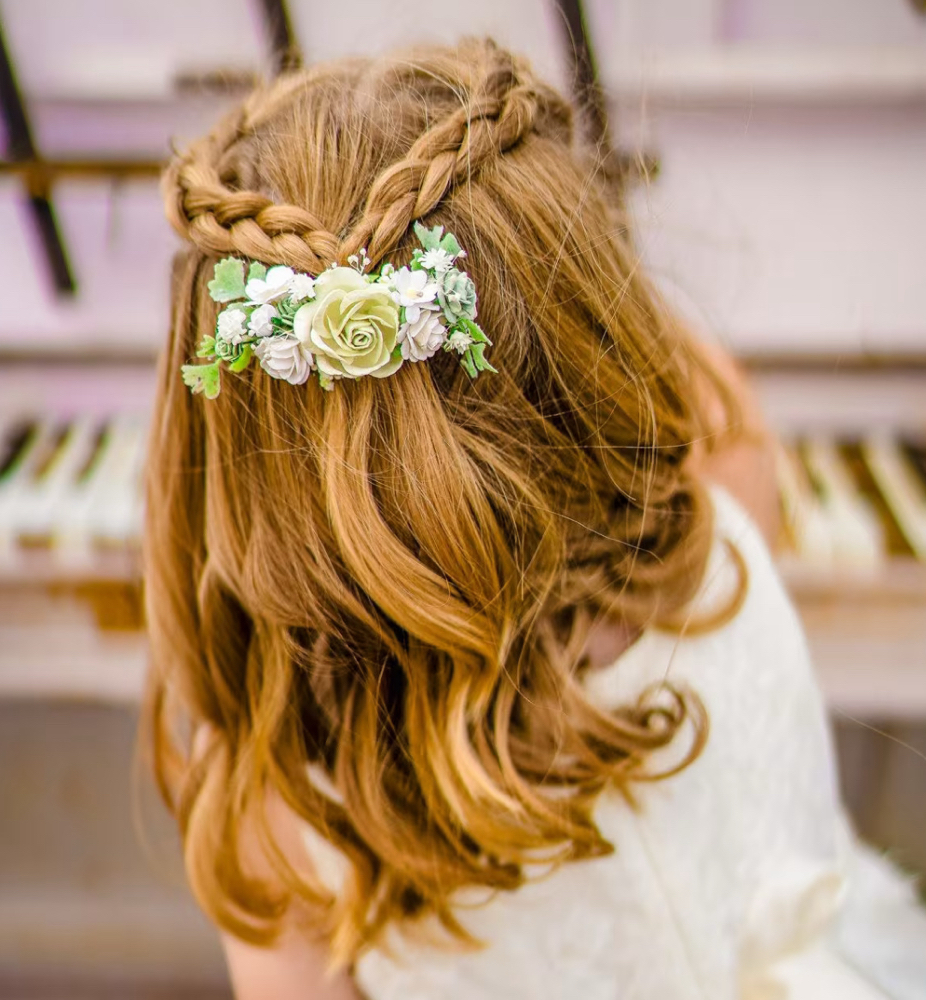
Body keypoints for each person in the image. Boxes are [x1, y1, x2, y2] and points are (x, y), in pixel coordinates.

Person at [144, 38, 924, 1000]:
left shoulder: (275, 818)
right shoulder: (725, 474)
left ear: (216, 452)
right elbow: (665, 361)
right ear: (592, 305)